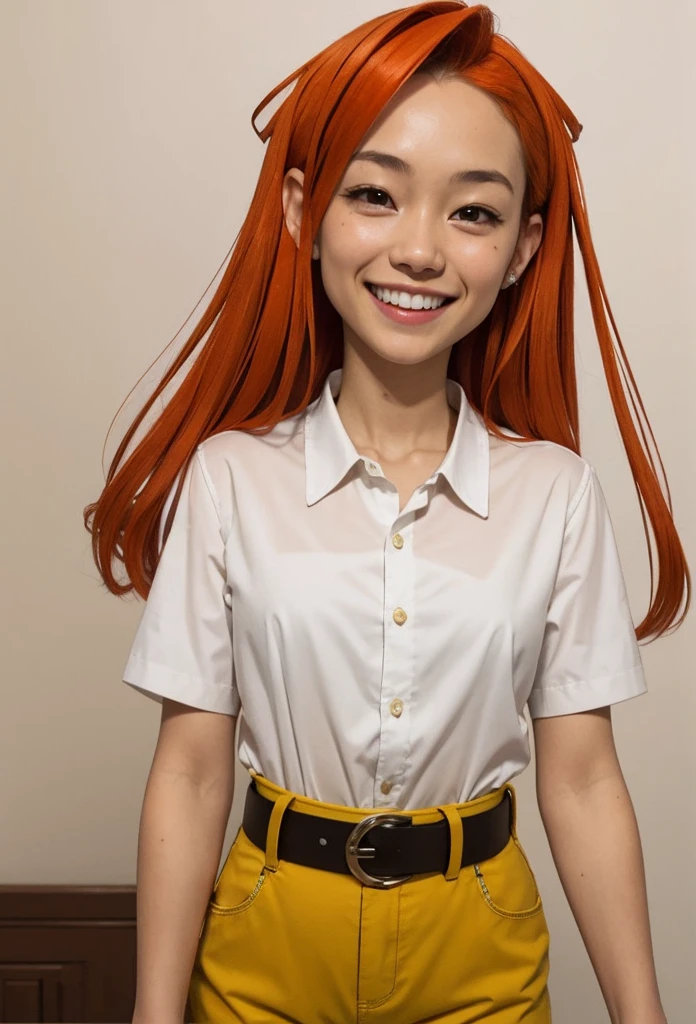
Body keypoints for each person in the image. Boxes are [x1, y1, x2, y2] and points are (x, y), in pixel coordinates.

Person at [85, 3, 690, 1022]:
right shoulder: (229, 478)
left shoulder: (556, 495)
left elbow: (582, 782)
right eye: (374, 193)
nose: (419, 249)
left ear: (524, 246)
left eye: (474, 212)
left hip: (480, 946)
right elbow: (190, 772)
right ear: (299, 209)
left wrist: (646, 1016)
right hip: (265, 936)